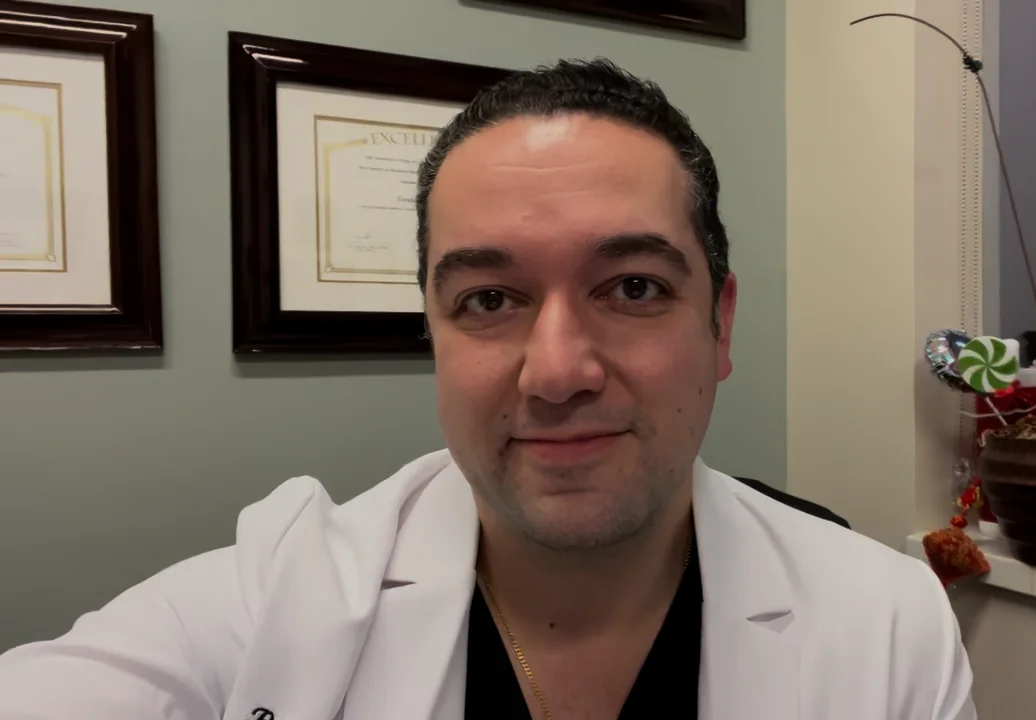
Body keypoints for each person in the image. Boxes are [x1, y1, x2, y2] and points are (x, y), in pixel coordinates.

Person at [0, 59, 977, 720]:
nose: (556, 373)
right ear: (433, 332)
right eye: (490, 299)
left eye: (632, 287)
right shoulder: (271, 601)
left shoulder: (889, 628)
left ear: (719, 324)